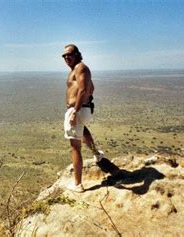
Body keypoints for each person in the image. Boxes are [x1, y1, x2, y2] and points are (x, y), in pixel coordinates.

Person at [62, 44, 106, 193]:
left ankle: (77, 184)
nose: (67, 57)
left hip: (77, 110)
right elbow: (90, 88)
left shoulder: (81, 67)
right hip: (82, 109)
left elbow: (82, 89)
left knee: (74, 147)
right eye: (64, 56)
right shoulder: (78, 69)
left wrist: (75, 110)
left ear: (77, 54)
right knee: (83, 131)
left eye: (69, 54)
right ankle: (97, 154)